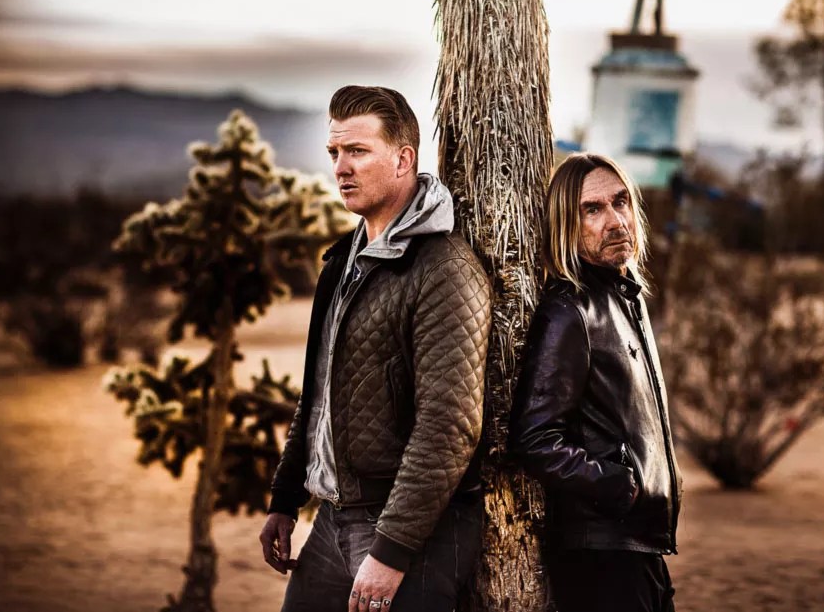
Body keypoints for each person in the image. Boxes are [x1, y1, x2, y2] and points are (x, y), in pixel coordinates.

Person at [260, 85, 492, 612]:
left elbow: (448, 425)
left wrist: (392, 550)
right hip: (333, 520)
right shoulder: (343, 261)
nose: (341, 168)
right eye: (334, 153)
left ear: (403, 159)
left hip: (412, 532)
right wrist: (286, 498)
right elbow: (318, 393)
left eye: (358, 151)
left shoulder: (444, 269)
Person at [509, 152, 682, 612]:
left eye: (621, 202)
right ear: (567, 225)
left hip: (639, 547)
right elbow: (534, 438)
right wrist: (618, 485)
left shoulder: (627, 299)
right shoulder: (570, 311)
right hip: (602, 555)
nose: (615, 221)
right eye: (593, 209)